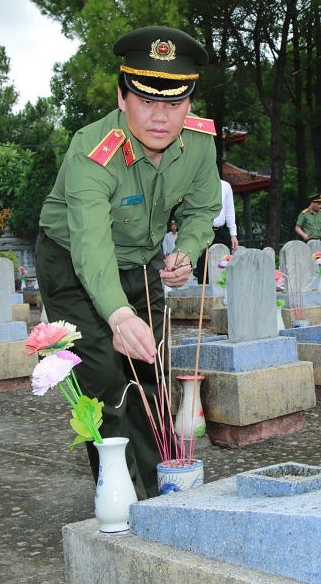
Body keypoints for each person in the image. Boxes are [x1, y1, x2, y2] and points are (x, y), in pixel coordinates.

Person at [34, 26, 219, 499]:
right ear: (121, 97)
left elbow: (201, 210)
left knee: (152, 380)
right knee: (105, 382)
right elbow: (90, 246)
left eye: (174, 103)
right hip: (75, 268)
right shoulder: (92, 153)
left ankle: (166, 492)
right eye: (146, 100)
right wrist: (118, 315)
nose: (160, 117)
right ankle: (125, 500)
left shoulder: (199, 144)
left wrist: (187, 252)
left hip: (140, 262)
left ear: (190, 104)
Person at [194, 178, 238, 282]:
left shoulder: (225, 186)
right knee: (203, 265)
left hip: (219, 231)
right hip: (203, 230)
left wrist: (233, 234)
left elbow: (229, 210)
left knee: (222, 263)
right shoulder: (199, 184)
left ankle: (223, 295)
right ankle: (204, 294)